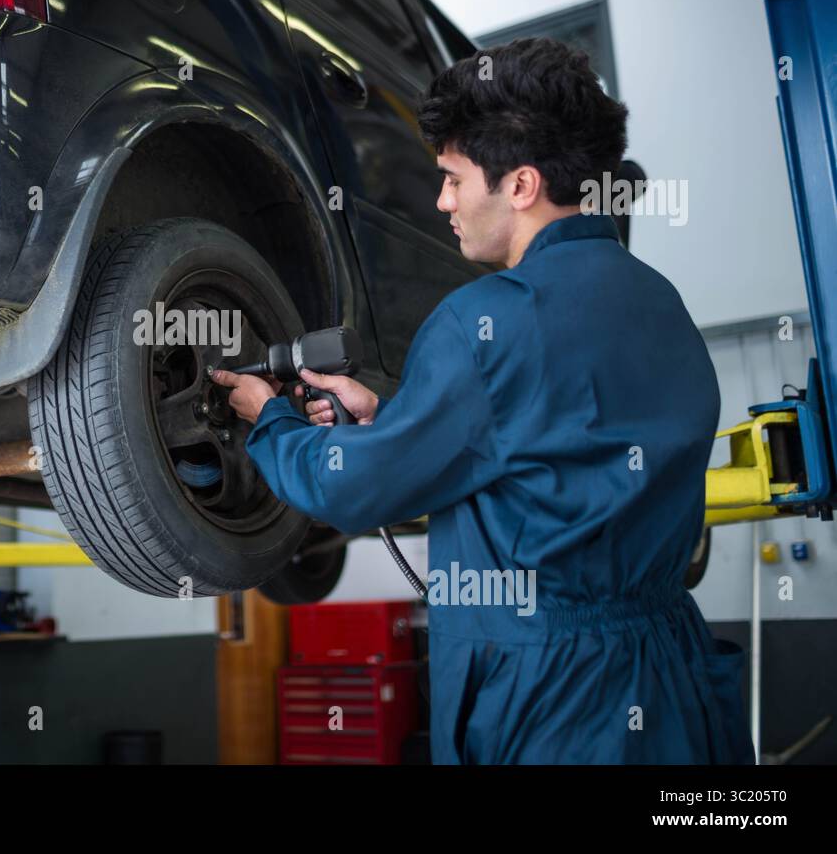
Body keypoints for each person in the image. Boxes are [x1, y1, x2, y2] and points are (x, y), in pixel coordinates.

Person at [210, 37, 755, 764]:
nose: (442, 202)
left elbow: (347, 487)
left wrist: (269, 419)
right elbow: (545, 454)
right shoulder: (661, 303)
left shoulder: (484, 320)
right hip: (672, 672)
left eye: (453, 179)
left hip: (556, 700)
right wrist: (393, 424)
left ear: (521, 185)